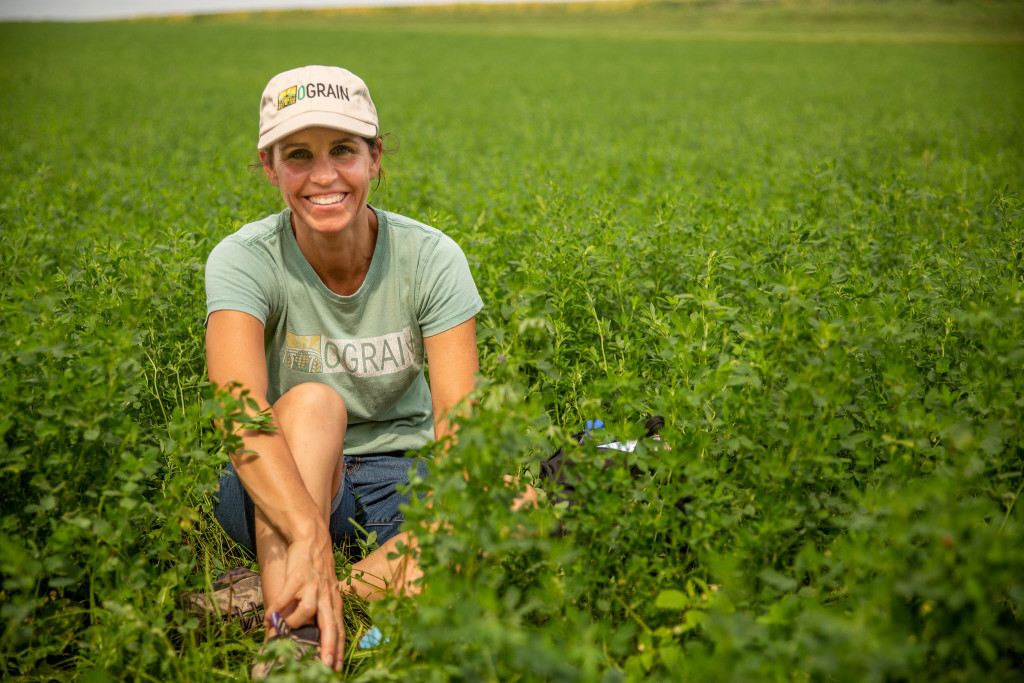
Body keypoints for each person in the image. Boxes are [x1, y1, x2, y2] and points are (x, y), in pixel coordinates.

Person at [203, 65, 482, 676]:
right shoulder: (244, 260)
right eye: (298, 155)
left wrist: (455, 514)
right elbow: (240, 415)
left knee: (519, 501)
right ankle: (294, 649)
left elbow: (460, 429)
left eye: (344, 151)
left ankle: (281, 600)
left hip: (405, 486)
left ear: (375, 157)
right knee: (311, 403)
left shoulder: (430, 258)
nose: (324, 176)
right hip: (282, 481)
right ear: (270, 166)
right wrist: (308, 529)